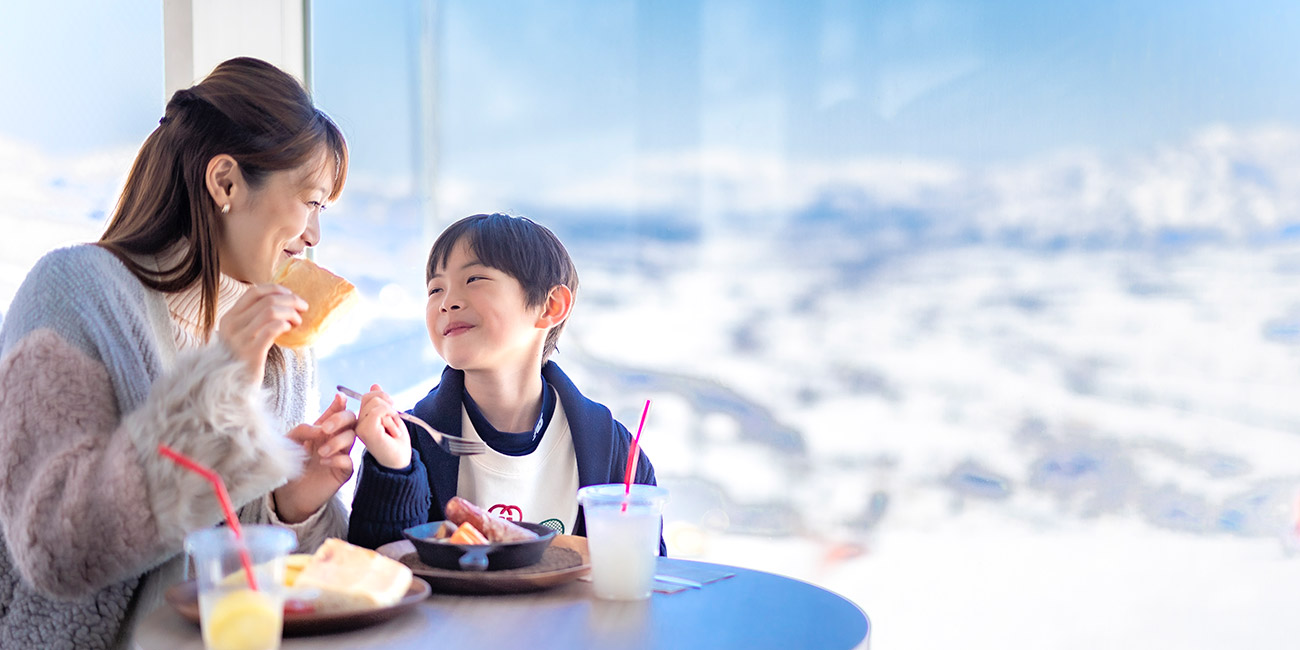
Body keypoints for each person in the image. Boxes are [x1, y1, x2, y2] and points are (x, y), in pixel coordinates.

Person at [0, 57, 359, 649]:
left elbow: (239, 558)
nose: (315, 236)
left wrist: (290, 503)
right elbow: (54, 547)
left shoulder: (283, 346)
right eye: (312, 201)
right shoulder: (73, 294)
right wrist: (218, 382)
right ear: (225, 183)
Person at [346, 213, 666, 554]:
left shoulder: (614, 452)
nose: (446, 301)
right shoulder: (409, 442)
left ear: (551, 306)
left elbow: (647, 572)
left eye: (474, 279)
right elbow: (376, 570)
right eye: (435, 288)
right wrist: (395, 469)